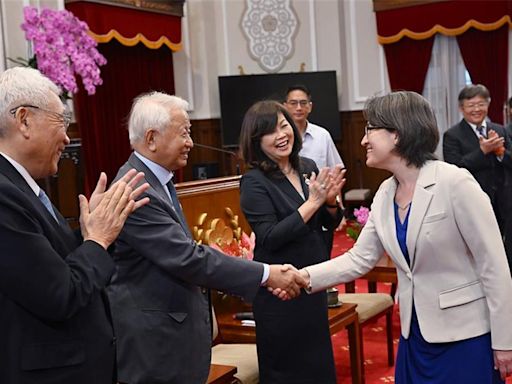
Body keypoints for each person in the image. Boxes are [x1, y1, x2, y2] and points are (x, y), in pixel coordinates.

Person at [290, 91, 512, 383]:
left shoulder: (454, 183)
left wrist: (505, 341)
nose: (363, 139)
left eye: (370, 130)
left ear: (397, 134)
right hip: (413, 336)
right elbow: (359, 258)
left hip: (464, 338)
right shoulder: (385, 192)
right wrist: (301, 277)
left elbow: (494, 267)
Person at [107, 92, 307, 384]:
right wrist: (266, 274)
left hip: (172, 339)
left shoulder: (155, 180)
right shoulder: (136, 188)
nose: (190, 142)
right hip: (155, 347)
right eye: (184, 133)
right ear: (151, 139)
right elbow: (187, 257)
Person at [0, 66, 149, 383]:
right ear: (24, 120)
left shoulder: (23, 186)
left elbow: (49, 263)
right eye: (61, 121)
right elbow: (59, 294)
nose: (68, 136)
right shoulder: (4, 193)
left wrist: (87, 232)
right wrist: (97, 240)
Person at [239, 100, 346, 383]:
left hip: (312, 283)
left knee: (319, 368)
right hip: (280, 293)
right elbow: (271, 237)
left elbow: (326, 223)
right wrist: (313, 202)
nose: (281, 135)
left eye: (284, 126)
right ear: (256, 141)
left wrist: (332, 202)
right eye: (270, 132)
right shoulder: (254, 182)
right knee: (288, 372)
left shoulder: (306, 166)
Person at [443, 84, 512, 274]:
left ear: (488, 105)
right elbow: (454, 168)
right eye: (471, 105)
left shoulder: (500, 130)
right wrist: (482, 151)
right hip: (472, 201)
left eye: (481, 104)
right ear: (461, 108)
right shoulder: (452, 135)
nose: (476, 109)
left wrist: (500, 153)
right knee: (479, 249)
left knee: (505, 249)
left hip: (504, 200)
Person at [284, 84, 345, 249]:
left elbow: (335, 173)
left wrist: (339, 208)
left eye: (303, 103)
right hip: (289, 208)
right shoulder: (280, 137)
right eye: (293, 103)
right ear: (284, 106)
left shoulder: (322, 135)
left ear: (310, 107)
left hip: (322, 208)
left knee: (322, 252)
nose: (298, 108)